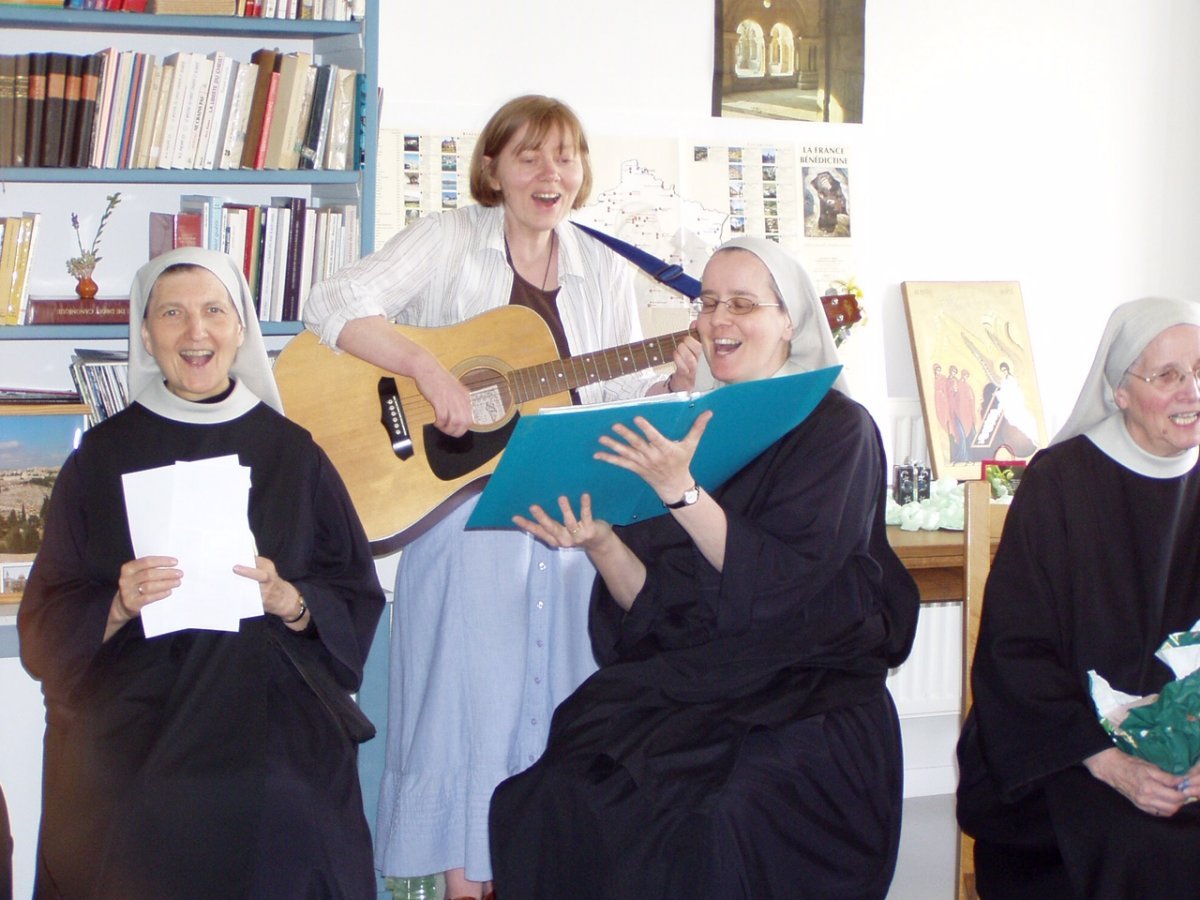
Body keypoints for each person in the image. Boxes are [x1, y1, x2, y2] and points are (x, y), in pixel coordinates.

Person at [302, 94, 699, 900]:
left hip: (566, 532)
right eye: (529, 157)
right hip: (465, 526)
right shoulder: (452, 240)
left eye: (566, 157)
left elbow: (613, 401)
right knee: (469, 711)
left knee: (565, 708)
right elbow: (331, 304)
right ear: (494, 169)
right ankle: (464, 885)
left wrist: (668, 381)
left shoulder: (606, 268)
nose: (550, 174)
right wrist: (425, 367)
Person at [489, 237, 920, 899]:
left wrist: (682, 492)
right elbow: (658, 610)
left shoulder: (838, 428)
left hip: (804, 696)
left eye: (743, 304)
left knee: (710, 825)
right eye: (709, 302)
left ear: (790, 323)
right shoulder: (685, 426)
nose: (720, 320)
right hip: (696, 688)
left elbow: (781, 587)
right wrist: (602, 541)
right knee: (561, 791)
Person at [18, 247, 385, 899]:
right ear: (146, 333)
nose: (196, 332)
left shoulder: (294, 455)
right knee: (125, 818)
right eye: (173, 314)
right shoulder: (99, 460)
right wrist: (116, 604)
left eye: (214, 311)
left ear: (240, 328)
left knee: (295, 821)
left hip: (267, 709)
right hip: (136, 715)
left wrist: (291, 601)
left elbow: (352, 593)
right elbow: (44, 624)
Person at [956, 297, 1200, 898]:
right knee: (1143, 849)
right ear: (1119, 391)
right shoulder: (1060, 483)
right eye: (1168, 375)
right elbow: (1014, 654)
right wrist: (1109, 764)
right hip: (1068, 758)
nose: (1191, 391)